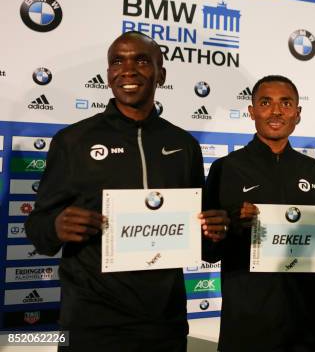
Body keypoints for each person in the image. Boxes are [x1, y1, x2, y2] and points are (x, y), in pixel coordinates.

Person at [25, 31, 229, 351]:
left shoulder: (184, 145)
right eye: (118, 61)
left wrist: (215, 233)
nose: (128, 69)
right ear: (108, 75)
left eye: (142, 60)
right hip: (91, 323)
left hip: (164, 323)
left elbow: (200, 239)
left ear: (161, 74)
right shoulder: (73, 140)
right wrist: (56, 225)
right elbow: (37, 229)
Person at [203, 75, 315, 352]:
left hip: (307, 326)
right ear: (251, 111)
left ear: (298, 113)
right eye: (265, 102)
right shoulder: (226, 169)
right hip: (248, 326)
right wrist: (229, 224)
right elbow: (207, 251)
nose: (276, 111)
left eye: (286, 103)